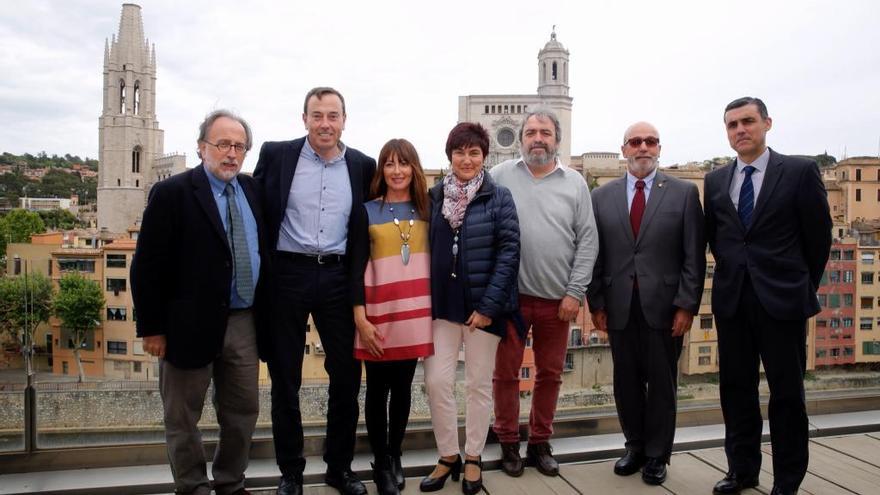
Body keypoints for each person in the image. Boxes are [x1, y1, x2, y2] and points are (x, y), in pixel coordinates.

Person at [131, 110, 269, 495]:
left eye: (239, 146)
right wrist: (152, 328)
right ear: (201, 146)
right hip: (185, 326)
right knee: (182, 417)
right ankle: (192, 487)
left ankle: (230, 482)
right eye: (222, 144)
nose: (231, 153)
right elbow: (148, 266)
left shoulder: (252, 190)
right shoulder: (172, 193)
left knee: (242, 413)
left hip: (243, 321)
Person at [253, 87, 376, 495]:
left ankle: (339, 468)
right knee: (284, 376)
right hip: (287, 275)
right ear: (304, 118)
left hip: (340, 279)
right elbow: (255, 210)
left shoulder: (362, 165)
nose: (325, 123)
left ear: (344, 120)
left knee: (345, 375)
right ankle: (291, 472)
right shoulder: (276, 155)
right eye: (317, 115)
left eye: (333, 116)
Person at [705, 97, 831, 495]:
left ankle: (788, 482)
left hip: (783, 302)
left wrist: (800, 284)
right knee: (736, 392)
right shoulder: (716, 180)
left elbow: (819, 238)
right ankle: (742, 471)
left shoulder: (798, 171)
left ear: (767, 124)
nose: (740, 130)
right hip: (733, 303)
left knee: (788, 396)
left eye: (747, 122)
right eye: (732, 125)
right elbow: (718, 238)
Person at [587, 121, 705, 486]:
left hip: (666, 307)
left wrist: (686, 305)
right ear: (623, 150)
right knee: (625, 381)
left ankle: (657, 455)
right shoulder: (601, 197)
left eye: (650, 141)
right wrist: (596, 303)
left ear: (659, 148)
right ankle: (634, 447)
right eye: (635, 142)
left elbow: (693, 255)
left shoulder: (683, 193)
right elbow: (595, 254)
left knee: (662, 383)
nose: (643, 147)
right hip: (619, 305)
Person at [490, 107, 598, 477]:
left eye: (545, 133)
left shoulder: (575, 183)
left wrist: (575, 292)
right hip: (510, 300)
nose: (538, 138)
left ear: (557, 139)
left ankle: (539, 442)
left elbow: (587, 241)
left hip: (558, 301)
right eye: (531, 132)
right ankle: (507, 441)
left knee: (550, 373)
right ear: (521, 139)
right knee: (504, 374)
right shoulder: (499, 176)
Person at [419, 122, 521, 495]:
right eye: (459, 152)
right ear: (450, 156)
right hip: (441, 309)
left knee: (479, 385)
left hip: (483, 312)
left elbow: (510, 253)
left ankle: (474, 456)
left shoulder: (500, 198)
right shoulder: (431, 197)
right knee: (437, 382)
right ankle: (448, 455)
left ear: (484, 157)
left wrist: (490, 306)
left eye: (473, 152)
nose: (466, 159)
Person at [348, 139, 434, 495]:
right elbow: (353, 268)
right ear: (380, 170)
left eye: (404, 163)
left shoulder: (428, 209)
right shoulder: (365, 211)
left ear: (414, 168)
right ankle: (381, 463)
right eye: (389, 164)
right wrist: (360, 319)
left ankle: (394, 454)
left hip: (416, 315)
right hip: (378, 316)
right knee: (376, 392)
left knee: (402, 391)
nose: (396, 171)